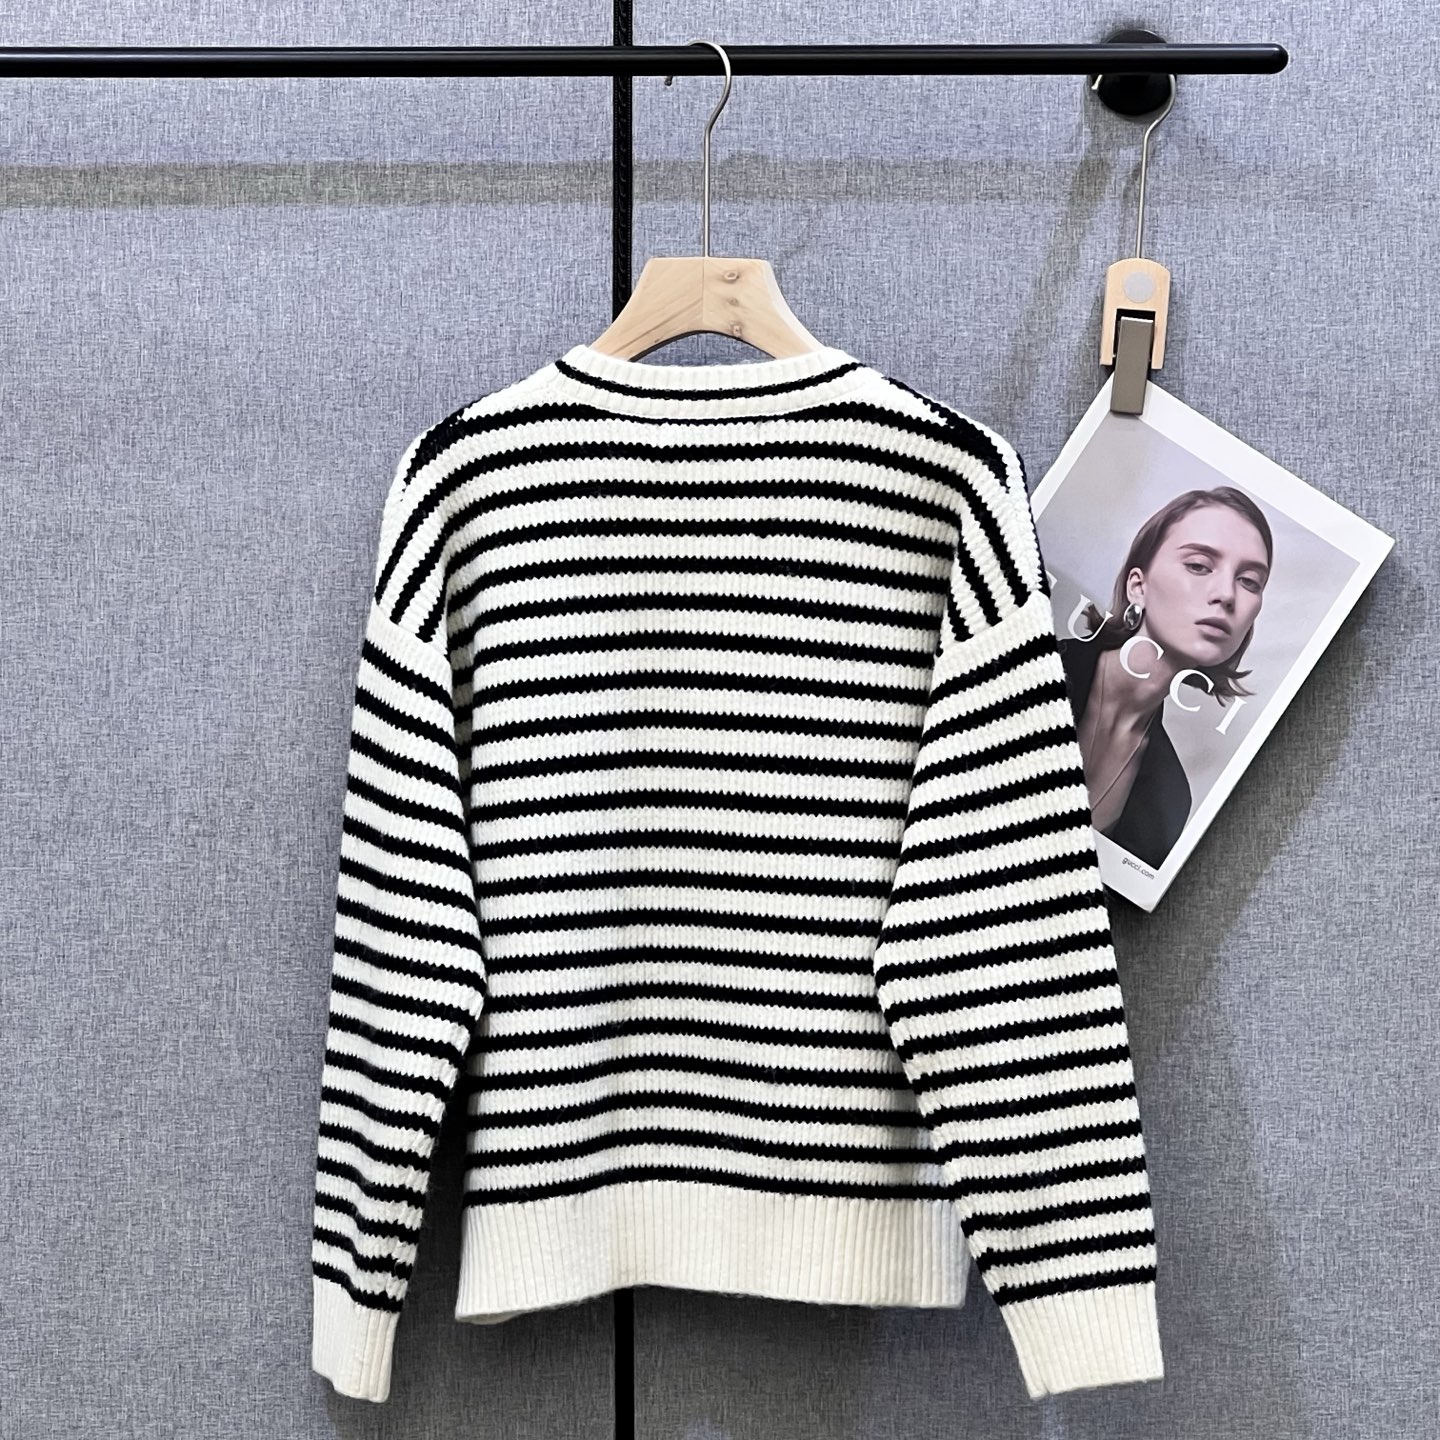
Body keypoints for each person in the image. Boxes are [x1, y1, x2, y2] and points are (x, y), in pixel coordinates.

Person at [1056, 485, 1273, 869]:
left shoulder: (1171, 801)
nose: (1226, 594)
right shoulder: (1037, 667)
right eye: (1199, 566)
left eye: (1249, 581)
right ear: (1138, 586)